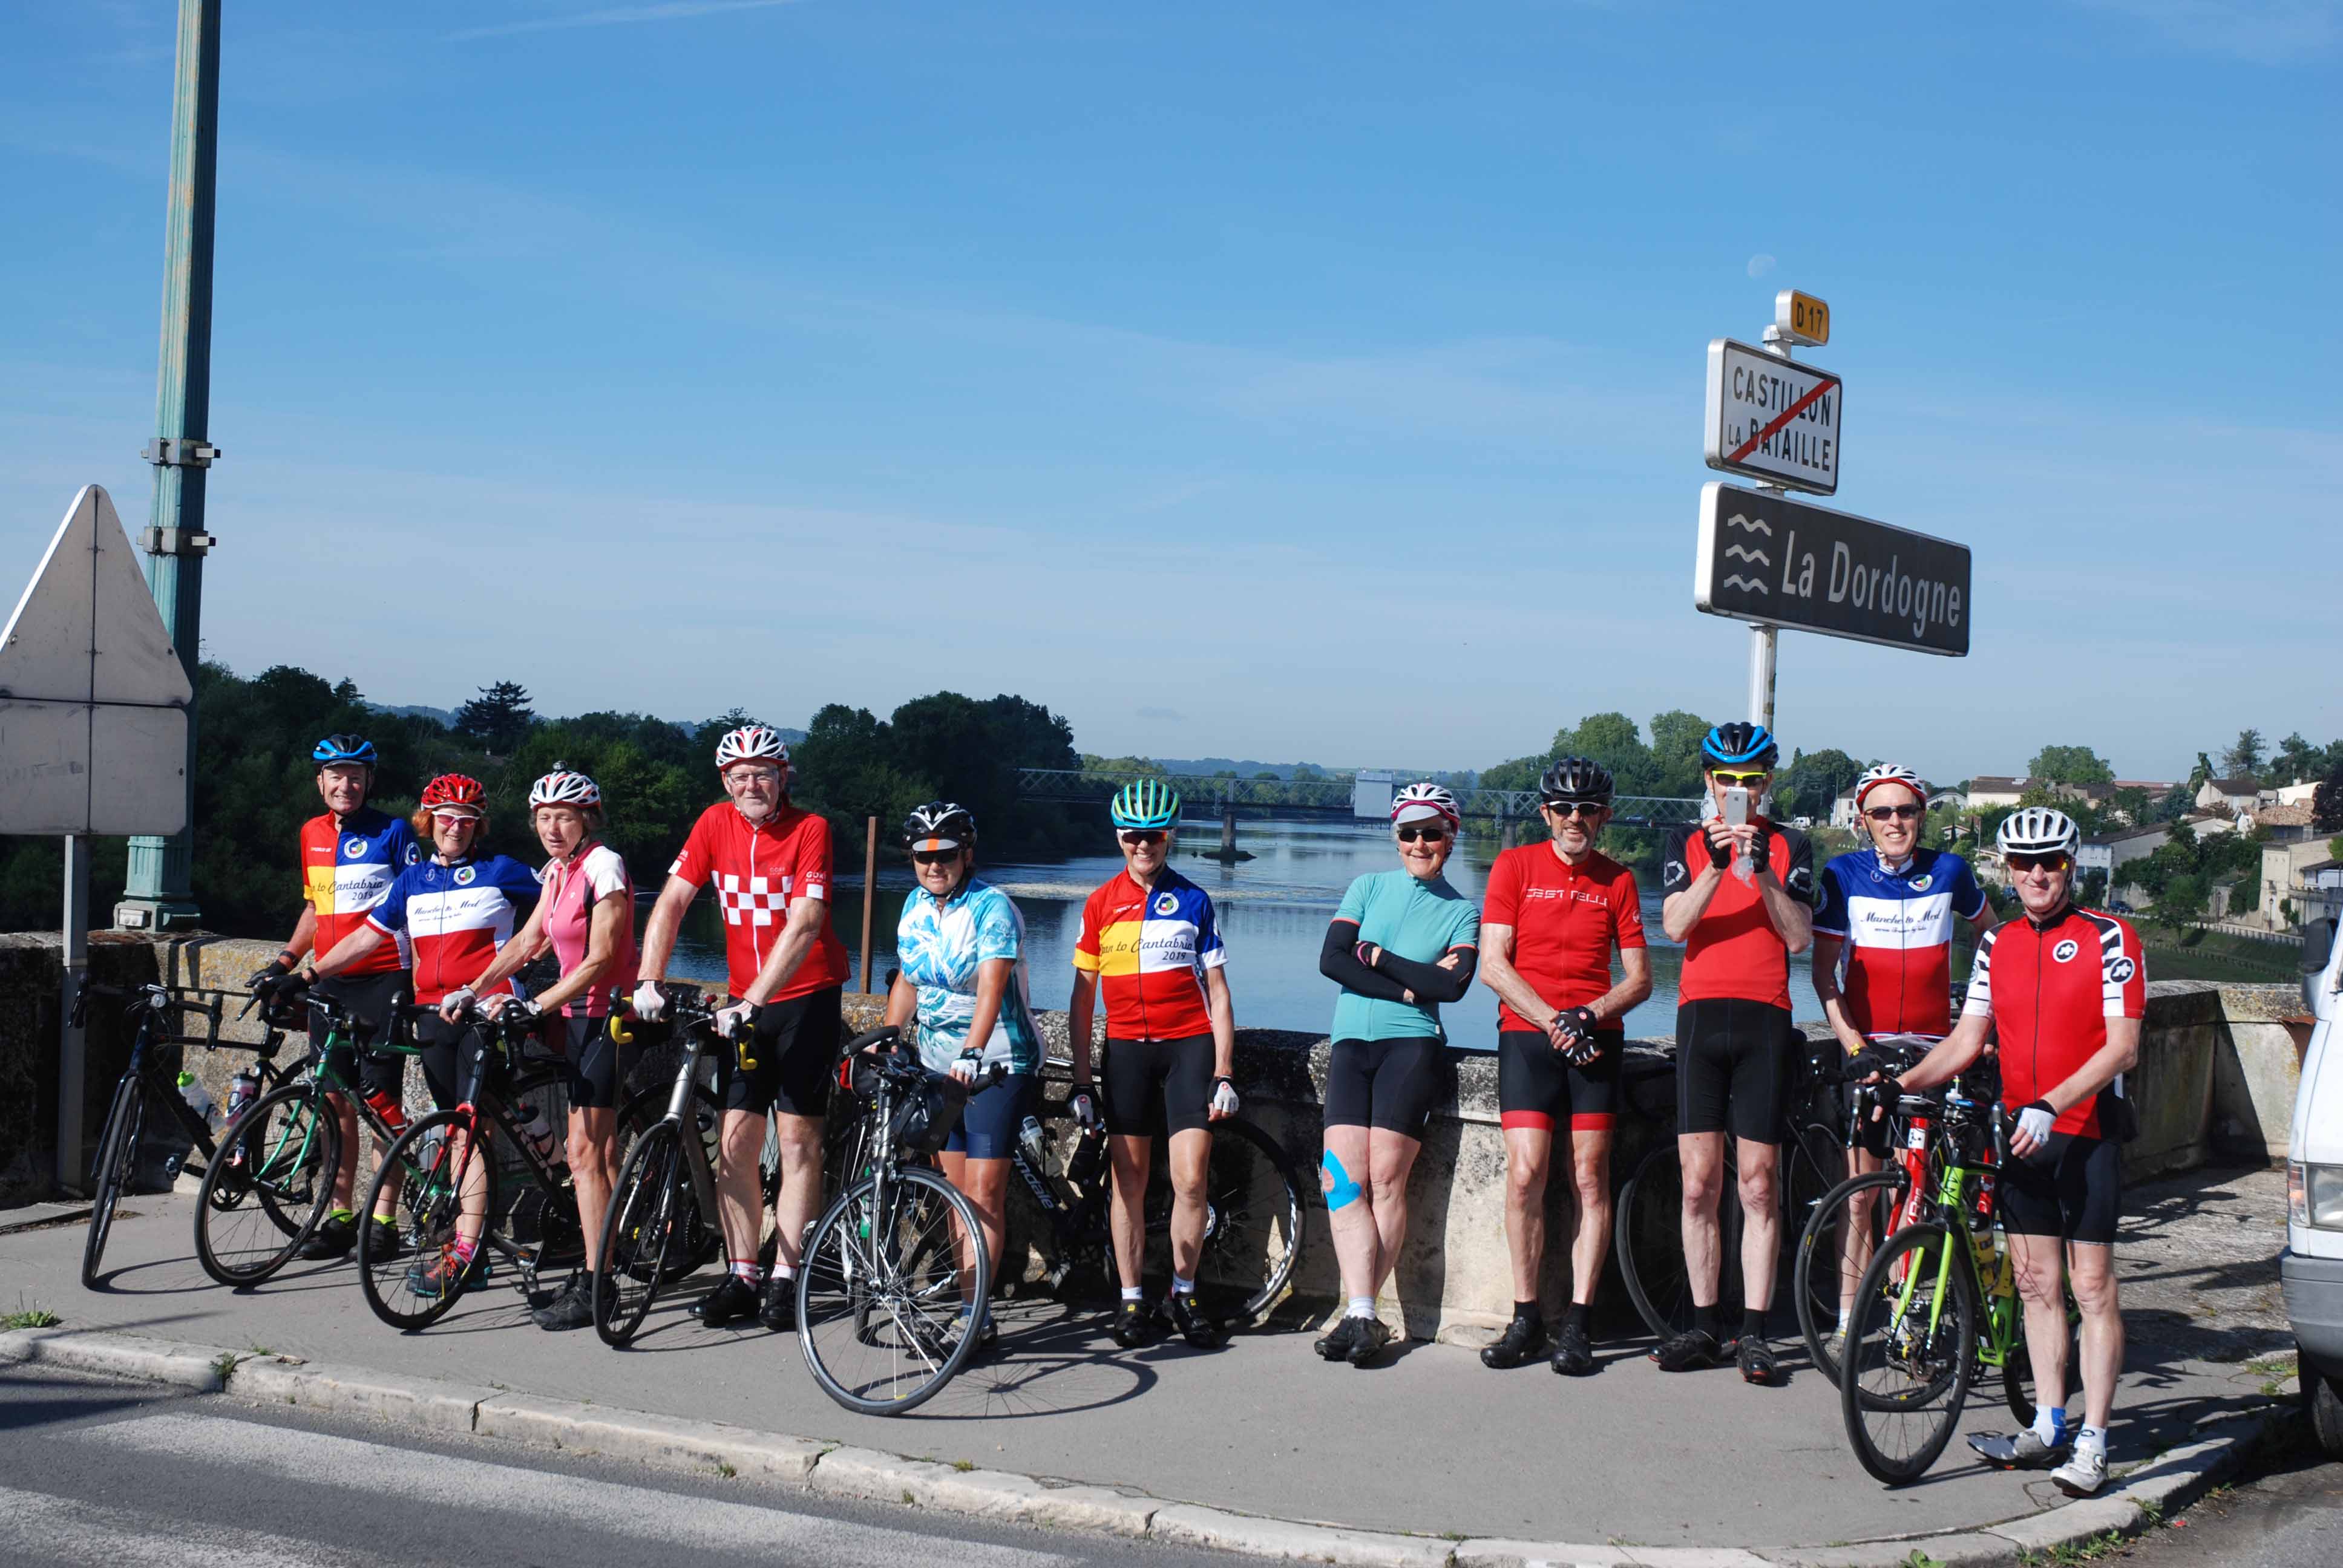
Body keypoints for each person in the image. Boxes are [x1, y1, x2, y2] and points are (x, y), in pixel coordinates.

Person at [1865, 806, 2141, 1497]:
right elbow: (1964, 1042)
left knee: (2090, 1289)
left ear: (2069, 866)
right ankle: (2047, 1425)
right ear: (2008, 871)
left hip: (2086, 1136)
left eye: (2049, 862)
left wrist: (2054, 1102)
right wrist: (1895, 1084)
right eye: (2023, 864)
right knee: (2034, 1286)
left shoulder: (2109, 937)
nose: (2037, 874)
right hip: (2021, 1135)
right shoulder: (1998, 946)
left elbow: (2122, 1045)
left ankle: (2094, 1440)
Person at [631, 725, 850, 1331]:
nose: (751, 784)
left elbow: (806, 921)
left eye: (763, 773)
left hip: (804, 998)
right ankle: (742, 1272)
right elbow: (673, 900)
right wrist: (649, 977)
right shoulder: (713, 824)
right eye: (739, 776)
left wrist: (754, 998)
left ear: (784, 778)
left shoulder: (810, 830)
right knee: (735, 1145)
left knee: (799, 1143)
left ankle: (785, 1275)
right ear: (725, 782)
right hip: (741, 1005)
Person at [310, 773, 541, 1292]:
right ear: (429, 822)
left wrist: (520, 978)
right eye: (445, 819)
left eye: (466, 820)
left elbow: (565, 910)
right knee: (463, 1129)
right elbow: (369, 937)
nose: (454, 828)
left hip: (482, 1016)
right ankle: (476, 1237)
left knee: (468, 1133)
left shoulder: (501, 870)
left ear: (478, 826)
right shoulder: (412, 881)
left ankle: (468, 1252)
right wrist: (309, 973)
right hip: (432, 1017)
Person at [1475, 758, 1652, 1375]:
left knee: (1588, 1177)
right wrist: (1557, 1019)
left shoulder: (1620, 880)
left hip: (1595, 1042)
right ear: (1545, 812)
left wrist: (1591, 1014)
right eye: (1563, 808)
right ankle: (1525, 1317)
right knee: (1525, 1175)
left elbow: (1639, 979)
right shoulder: (1512, 866)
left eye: (1587, 809)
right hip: (1529, 1035)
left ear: (1602, 815)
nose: (1575, 819)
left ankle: (1577, 1322)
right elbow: (1493, 965)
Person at [1810, 762, 1994, 1350]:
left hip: (1933, 1052)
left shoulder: (1950, 871)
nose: (1895, 822)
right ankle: (1846, 1320)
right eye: (1881, 813)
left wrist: (1979, 1014)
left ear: (1920, 815)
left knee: (1912, 1191)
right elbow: (1822, 978)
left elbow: (1993, 938)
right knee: (1861, 1194)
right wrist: (1855, 1048)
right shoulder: (1841, 875)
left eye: (1906, 811)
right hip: (1867, 1051)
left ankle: (1903, 1316)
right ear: (1863, 820)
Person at [1652, 721, 1815, 1383]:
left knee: (1757, 1186)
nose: (1737, 792)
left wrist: (1761, 870)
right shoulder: (1684, 842)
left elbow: (1799, 938)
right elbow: (1672, 925)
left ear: (1767, 783)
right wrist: (1718, 868)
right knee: (1697, 1186)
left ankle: (1753, 1331)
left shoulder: (1793, 844)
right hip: (1699, 1018)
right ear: (1708, 782)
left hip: (1764, 1020)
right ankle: (1701, 1325)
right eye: (1726, 780)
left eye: (1750, 781)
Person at [455, 764, 641, 1331]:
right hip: (578, 1019)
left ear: (588, 818)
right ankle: (595, 1268)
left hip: (609, 1018)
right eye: (543, 817)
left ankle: (598, 1286)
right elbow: (528, 940)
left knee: (585, 1154)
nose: (552, 827)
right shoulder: (560, 872)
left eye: (564, 816)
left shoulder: (603, 866)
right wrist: (473, 988)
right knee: (595, 1155)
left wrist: (538, 1005)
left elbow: (602, 957)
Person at [1312, 782, 1481, 1368]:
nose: (1418, 843)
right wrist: (1411, 983)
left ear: (1450, 837)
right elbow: (1331, 959)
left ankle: (1359, 1312)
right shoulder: (1365, 887)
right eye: (1407, 833)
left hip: (1410, 1045)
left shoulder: (1461, 910)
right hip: (1349, 1040)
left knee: (1385, 1182)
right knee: (1339, 1180)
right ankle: (1361, 1313)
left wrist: (1378, 957)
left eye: (1430, 832)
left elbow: (1451, 987)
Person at [1067, 779, 1238, 1351]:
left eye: (1155, 837)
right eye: (1134, 837)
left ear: (1170, 838)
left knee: (1190, 1178)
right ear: (1120, 839)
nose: (1144, 846)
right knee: (1129, 1182)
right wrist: (1083, 1080)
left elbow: (1217, 990)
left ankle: (1185, 1294)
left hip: (1187, 1046)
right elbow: (1082, 997)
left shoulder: (1194, 900)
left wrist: (1224, 1070)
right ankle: (1133, 1299)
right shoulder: (1099, 904)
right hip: (1126, 1054)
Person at [245, 733, 421, 1262]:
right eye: (336, 776)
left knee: (381, 1101)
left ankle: (384, 1221)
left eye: (357, 776)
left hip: (383, 979)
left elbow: (417, 907)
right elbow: (315, 911)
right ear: (320, 782)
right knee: (336, 1102)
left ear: (370, 782)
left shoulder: (393, 832)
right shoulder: (311, 834)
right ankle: (342, 1213)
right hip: (327, 983)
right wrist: (283, 963)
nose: (346, 785)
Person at [884, 801, 1045, 1349]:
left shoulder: (992, 908)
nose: (934, 866)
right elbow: (908, 980)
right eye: (922, 857)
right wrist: (887, 1036)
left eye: (946, 856)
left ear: (967, 855)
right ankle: (972, 1309)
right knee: (954, 1193)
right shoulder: (913, 906)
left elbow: (994, 985)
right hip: (935, 1065)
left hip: (997, 1062)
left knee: (982, 1193)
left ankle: (972, 1317)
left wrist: (973, 1051)